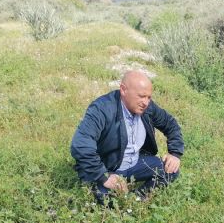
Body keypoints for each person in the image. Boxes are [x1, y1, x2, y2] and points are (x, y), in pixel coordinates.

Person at [70, 70, 183, 203]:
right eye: (141, 96)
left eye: (148, 97)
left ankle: (137, 199)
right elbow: (81, 145)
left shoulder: (147, 107)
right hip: (109, 167)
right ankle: (115, 196)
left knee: (171, 171)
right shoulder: (102, 108)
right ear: (123, 90)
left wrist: (175, 153)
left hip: (135, 162)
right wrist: (104, 176)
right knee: (104, 198)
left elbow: (170, 124)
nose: (145, 102)